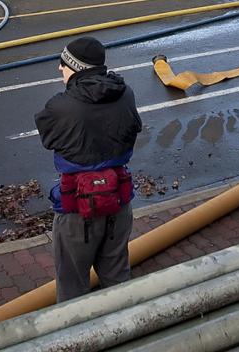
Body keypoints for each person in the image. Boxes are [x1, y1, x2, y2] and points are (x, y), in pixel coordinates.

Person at [34, 37, 142, 301]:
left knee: (73, 285)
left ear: (76, 67)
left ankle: (80, 339)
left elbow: (48, 138)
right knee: (117, 276)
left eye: (63, 63)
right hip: (118, 201)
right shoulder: (125, 93)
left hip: (77, 211)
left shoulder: (61, 106)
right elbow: (133, 130)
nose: (59, 68)